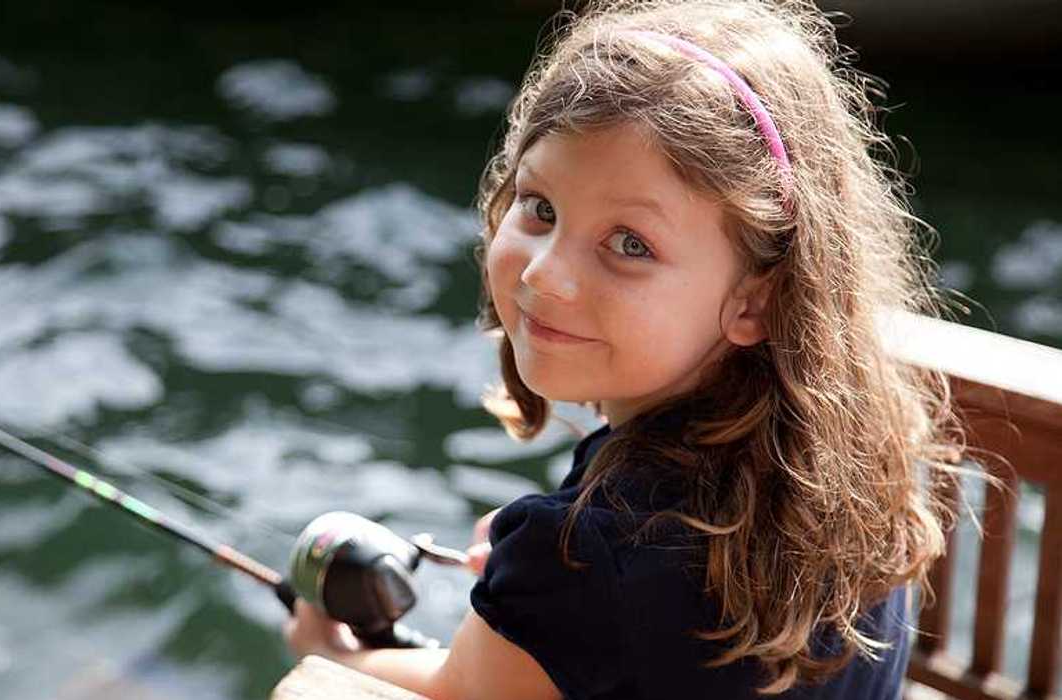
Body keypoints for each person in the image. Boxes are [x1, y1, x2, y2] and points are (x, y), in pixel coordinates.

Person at [284, 0, 973, 697]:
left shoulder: (586, 555)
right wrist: (541, 593)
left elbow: (454, 690)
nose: (541, 272)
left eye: (629, 244)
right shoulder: (842, 462)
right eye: (540, 207)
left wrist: (331, 651)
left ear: (756, 299)